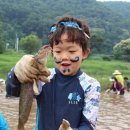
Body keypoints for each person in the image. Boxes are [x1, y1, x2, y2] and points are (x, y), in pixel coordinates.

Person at [5, 16, 101, 130]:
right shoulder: (43, 77)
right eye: (58, 51)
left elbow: (88, 125)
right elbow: (12, 91)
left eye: (71, 51)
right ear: (52, 52)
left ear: (85, 53)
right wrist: (15, 74)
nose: (64, 57)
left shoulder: (91, 85)